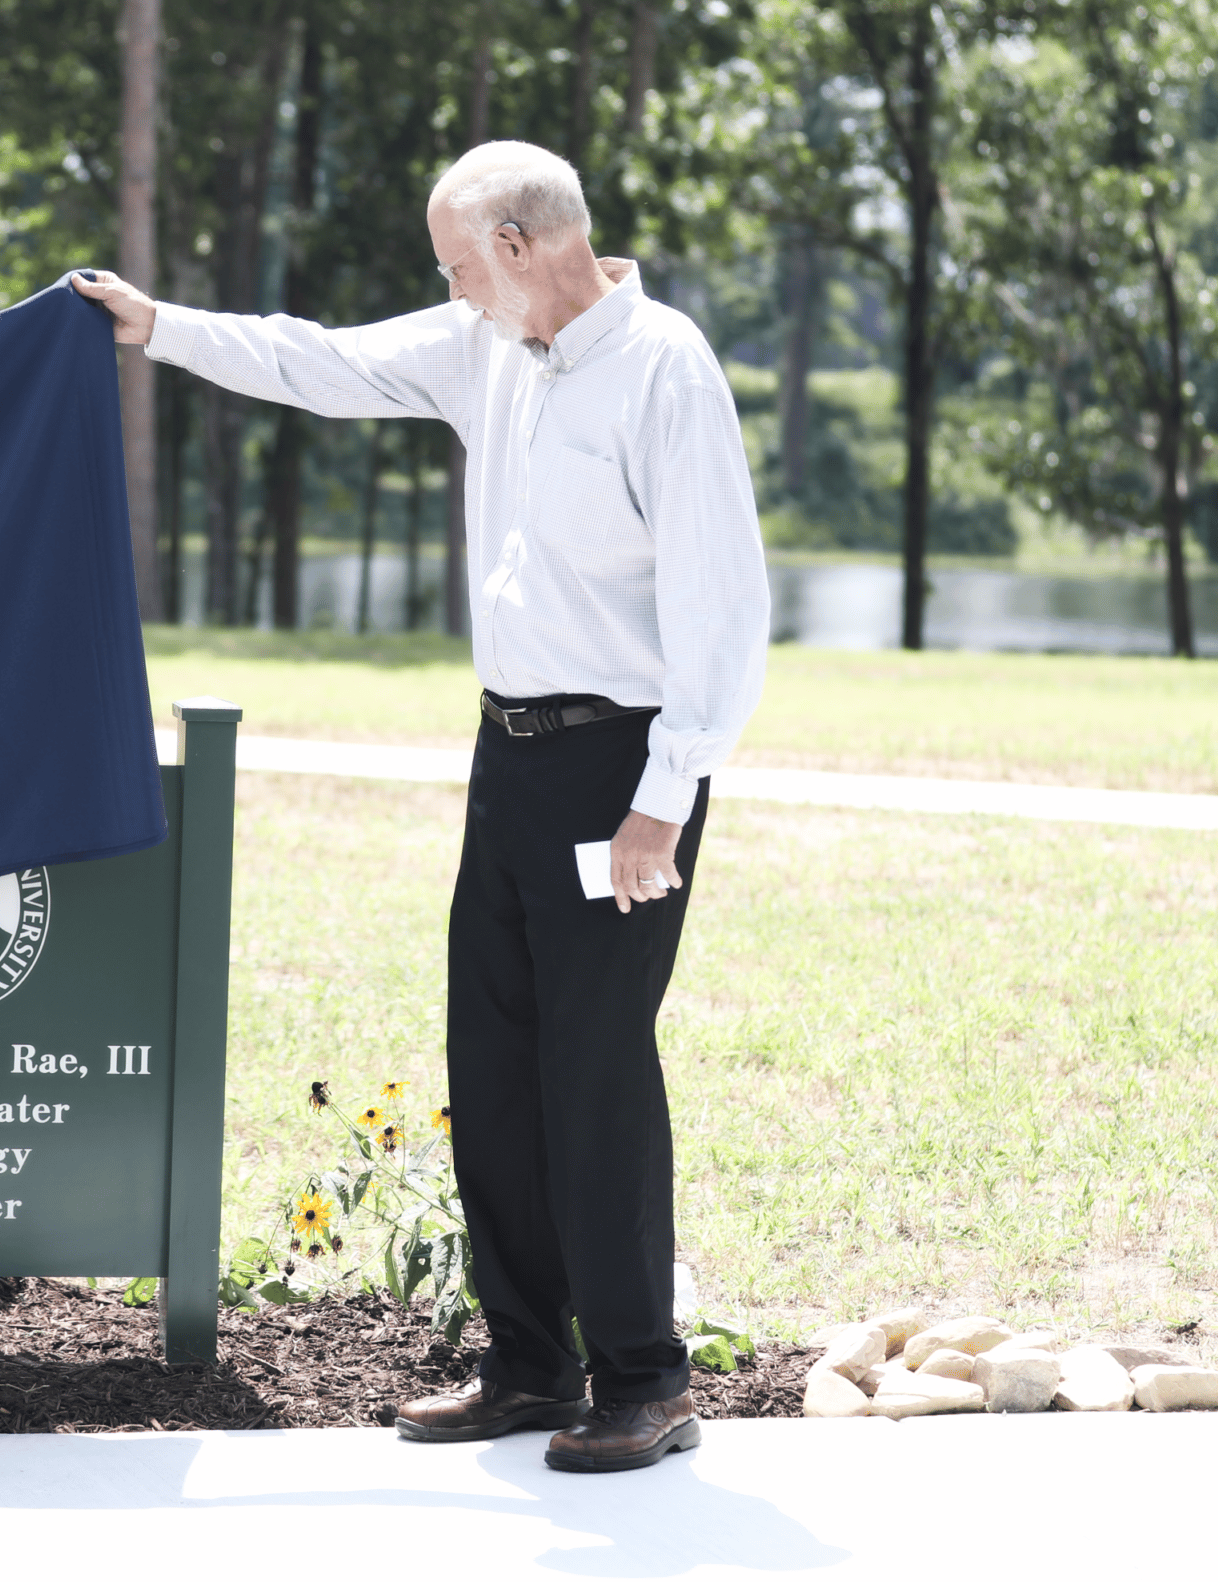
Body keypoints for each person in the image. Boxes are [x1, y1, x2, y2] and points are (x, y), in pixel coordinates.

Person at [74, 142, 768, 1473]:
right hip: (506, 759)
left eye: (455, 262)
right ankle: (526, 1362)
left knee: (598, 1068)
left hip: (620, 768)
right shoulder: (484, 346)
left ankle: (645, 1375)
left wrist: (663, 805)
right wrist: (156, 326)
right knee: (495, 1063)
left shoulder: (665, 368)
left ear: (515, 245)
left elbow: (724, 609)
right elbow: (322, 361)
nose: (444, 289)